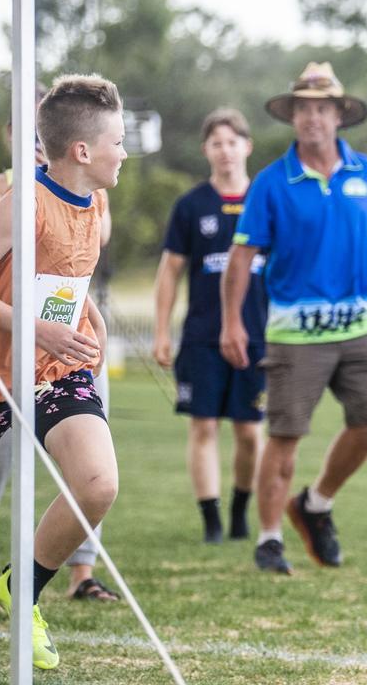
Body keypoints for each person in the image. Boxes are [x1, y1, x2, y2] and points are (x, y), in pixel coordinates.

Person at [220, 62, 367, 575]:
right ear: (293, 117)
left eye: (322, 109)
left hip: (359, 322)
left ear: (339, 116)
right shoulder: (272, 181)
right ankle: (271, 538)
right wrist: (231, 323)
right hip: (294, 329)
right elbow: (240, 259)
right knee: (285, 436)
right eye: (303, 109)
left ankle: (316, 504)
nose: (312, 118)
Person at [0, 73, 128, 669]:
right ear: (82, 151)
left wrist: (89, 316)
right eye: (118, 140)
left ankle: (23, 591)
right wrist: (33, 326)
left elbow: (64, 273)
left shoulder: (98, 201)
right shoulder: (24, 201)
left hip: (55, 368)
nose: (126, 152)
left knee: (98, 484)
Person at [153, 108, 265, 544]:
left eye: (232, 142)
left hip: (258, 337)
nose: (225, 151)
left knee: (251, 432)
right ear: (206, 151)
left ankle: (240, 512)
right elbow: (169, 272)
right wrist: (162, 332)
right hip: (202, 337)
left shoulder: (265, 200)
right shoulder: (191, 205)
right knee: (203, 427)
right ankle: (213, 522)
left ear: (247, 146)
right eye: (216, 143)